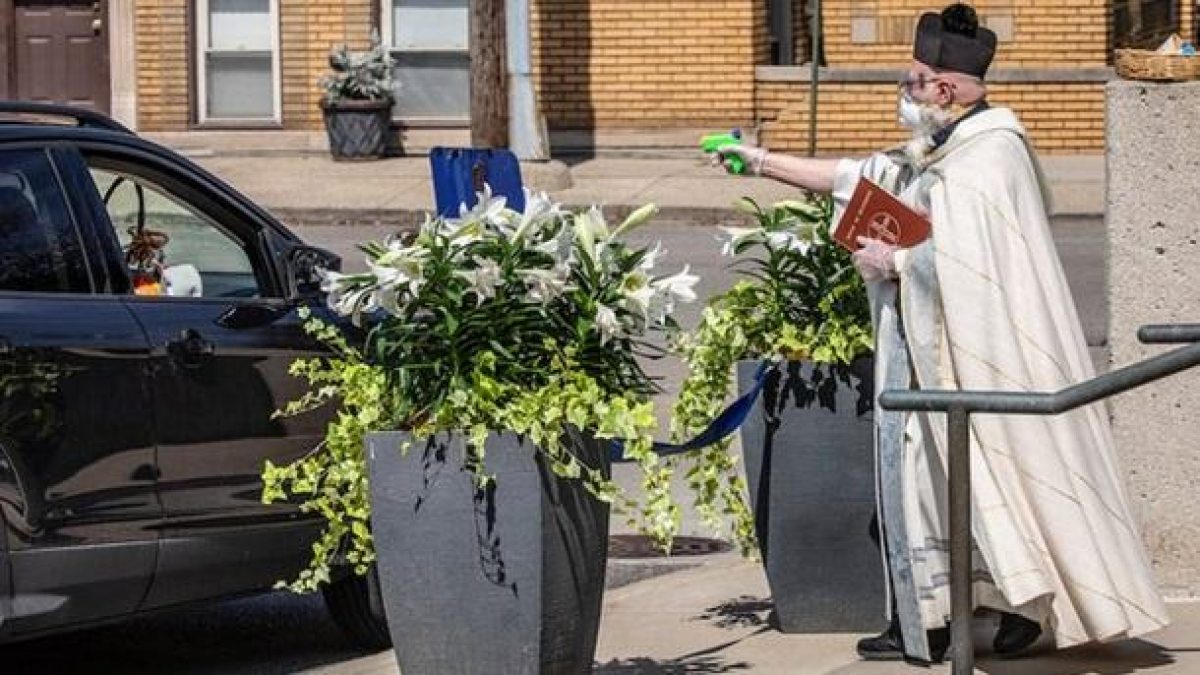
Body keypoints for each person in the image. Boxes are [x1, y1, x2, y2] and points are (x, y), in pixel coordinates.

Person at [715, 2, 1170, 664]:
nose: (904, 92)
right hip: (933, 359)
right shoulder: (943, 146)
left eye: (913, 81)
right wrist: (755, 160)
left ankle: (1028, 609)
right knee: (926, 487)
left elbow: (973, 261)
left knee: (1004, 481)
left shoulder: (990, 158)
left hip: (991, 360)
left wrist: (893, 261)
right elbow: (857, 176)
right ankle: (926, 616)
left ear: (947, 89)